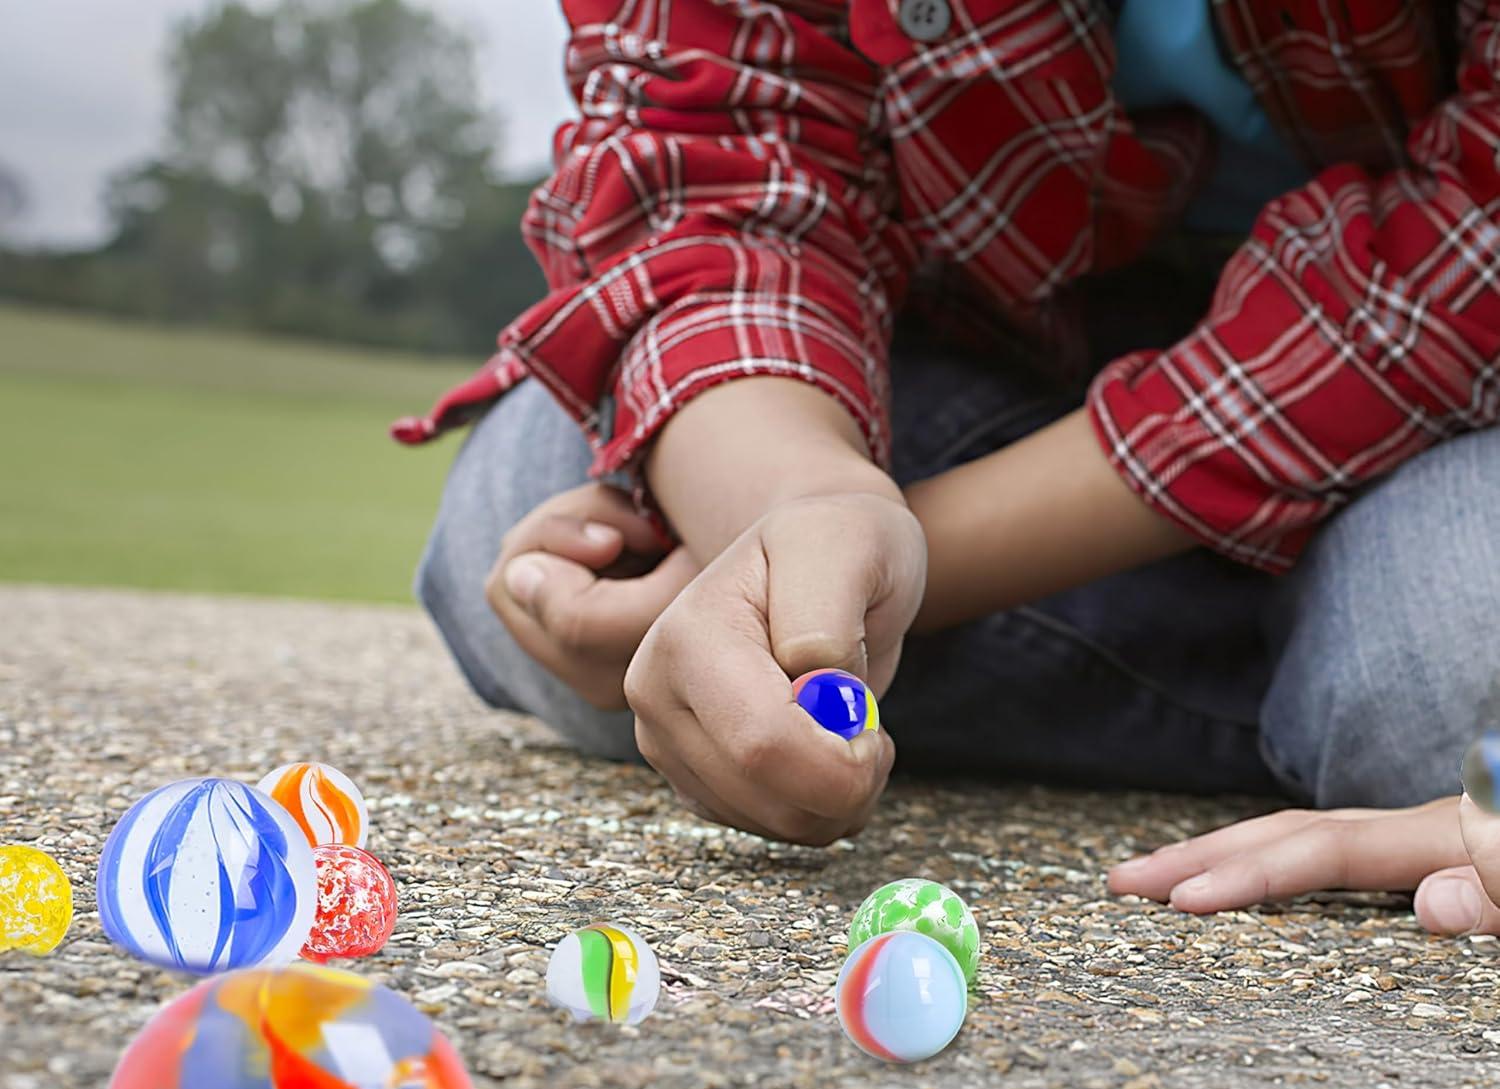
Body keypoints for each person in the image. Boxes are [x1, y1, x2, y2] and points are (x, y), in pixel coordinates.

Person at [400, 2, 1500, 928]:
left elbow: (1456, 268)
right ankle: (1291, 664)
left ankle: (1311, 672)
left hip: (1441, 406)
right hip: (958, 349)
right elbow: (718, 149)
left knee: (1442, 677)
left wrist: (904, 564)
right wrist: (801, 500)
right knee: (538, 522)